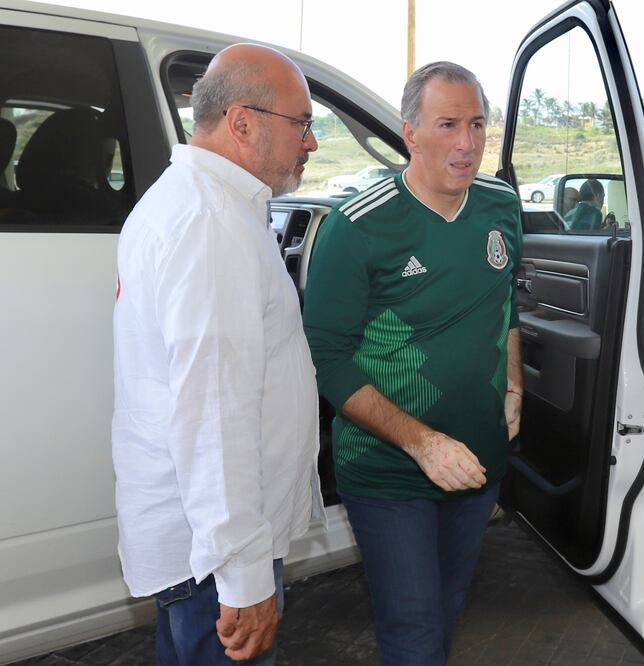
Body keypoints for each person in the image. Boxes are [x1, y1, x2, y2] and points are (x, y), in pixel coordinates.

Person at [302, 61, 522, 665]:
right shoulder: (358, 226)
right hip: (388, 467)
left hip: (476, 463)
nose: (468, 143)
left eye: (477, 124)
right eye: (448, 124)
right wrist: (423, 444)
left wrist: (516, 389)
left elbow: (506, 305)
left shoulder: (502, 205)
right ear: (410, 133)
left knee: (448, 609)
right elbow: (328, 356)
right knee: (415, 626)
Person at [112, 44, 322, 665]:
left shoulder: (201, 203)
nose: (310, 144)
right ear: (242, 123)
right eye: (302, 124)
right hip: (214, 563)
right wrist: (245, 576)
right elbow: (214, 418)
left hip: (201, 551)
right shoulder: (209, 225)